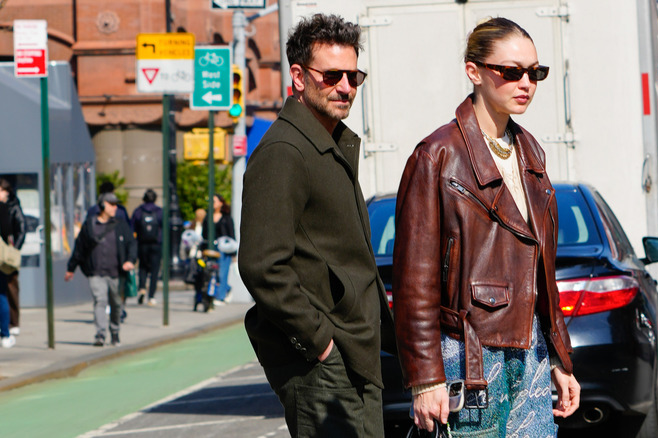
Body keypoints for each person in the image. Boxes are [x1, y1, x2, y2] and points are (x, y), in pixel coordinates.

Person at [393, 17, 580, 436]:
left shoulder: (530, 150)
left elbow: (540, 270)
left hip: (529, 349)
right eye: (511, 71)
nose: (526, 83)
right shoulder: (437, 155)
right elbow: (413, 281)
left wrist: (557, 358)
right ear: (473, 71)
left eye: (536, 72)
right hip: (467, 354)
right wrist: (426, 378)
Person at [238, 13, 394, 437]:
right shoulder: (284, 151)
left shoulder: (327, 142)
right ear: (299, 77)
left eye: (353, 76)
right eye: (331, 75)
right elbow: (260, 265)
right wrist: (320, 342)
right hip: (325, 363)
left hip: (354, 353)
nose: (345, 87)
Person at [65, 193, 137, 347]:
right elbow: (80, 247)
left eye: (116, 204)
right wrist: (71, 268)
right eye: (111, 204)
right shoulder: (90, 225)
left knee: (116, 304)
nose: (115, 207)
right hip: (96, 272)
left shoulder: (121, 224)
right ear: (103, 205)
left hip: (117, 273)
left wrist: (130, 261)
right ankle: (100, 334)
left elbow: (132, 243)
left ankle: (115, 331)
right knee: (100, 301)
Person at [0, 178, 25, 338]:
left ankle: (13, 322)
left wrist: (14, 249)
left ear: (6, 191)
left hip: (7, 254)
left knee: (10, 288)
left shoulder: (12, 207)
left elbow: (21, 229)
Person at [131, 189, 163, 306]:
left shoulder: (138, 211)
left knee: (143, 268)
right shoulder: (159, 211)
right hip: (156, 244)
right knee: (155, 270)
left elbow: (132, 227)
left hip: (142, 243)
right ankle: (152, 296)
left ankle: (142, 289)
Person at [201, 194, 234, 304]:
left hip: (223, 249)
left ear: (221, 203)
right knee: (211, 272)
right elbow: (204, 233)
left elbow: (231, 234)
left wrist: (234, 252)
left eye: (214, 201)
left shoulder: (226, 218)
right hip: (211, 247)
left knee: (222, 273)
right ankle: (227, 289)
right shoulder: (208, 216)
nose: (212, 204)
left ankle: (220, 297)